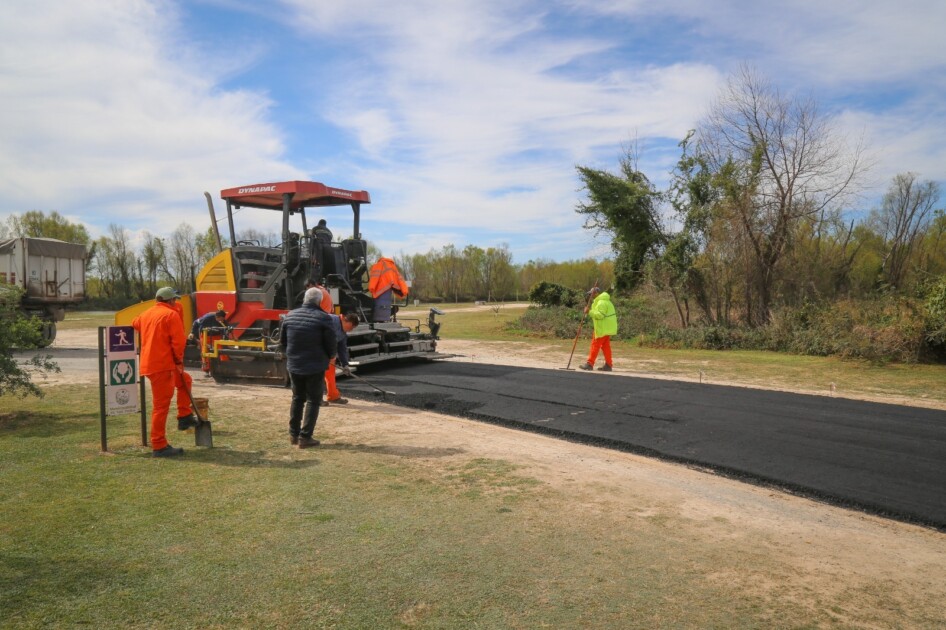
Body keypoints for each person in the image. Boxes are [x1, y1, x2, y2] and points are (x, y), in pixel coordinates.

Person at [132, 287, 189, 457]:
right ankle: (159, 445)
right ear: (171, 301)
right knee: (160, 406)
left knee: (186, 380)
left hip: (150, 365)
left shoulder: (146, 314)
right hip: (164, 366)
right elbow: (179, 343)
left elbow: (134, 323)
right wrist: (178, 361)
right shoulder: (172, 315)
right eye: (175, 300)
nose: (176, 303)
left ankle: (184, 415)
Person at [279, 287, 337, 448]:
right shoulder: (324, 318)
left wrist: (290, 355)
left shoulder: (290, 316)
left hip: (294, 365)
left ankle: (293, 434)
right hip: (314, 366)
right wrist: (331, 355)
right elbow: (331, 344)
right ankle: (305, 437)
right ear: (319, 301)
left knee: (297, 398)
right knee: (313, 400)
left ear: (305, 299)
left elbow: (282, 343)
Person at [323, 312, 359, 405]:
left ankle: (333, 396)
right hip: (318, 353)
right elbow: (320, 337)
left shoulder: (343, 333)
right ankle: (315, 399)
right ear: (346, 320)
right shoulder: (330, 320)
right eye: (351, 326)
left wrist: (345, 364)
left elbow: (342, 348)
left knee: (330, 376)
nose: (351, 330)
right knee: (316, 376)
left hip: (329, 356)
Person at [580, 287, 618, 372]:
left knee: (595, 345)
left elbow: (600, 315)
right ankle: (608, 365)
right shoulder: (606, 301)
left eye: (591, 293)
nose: (590, 295)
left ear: (596, 293)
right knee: (606, 347)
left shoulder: (601, 302)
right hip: (607, 328)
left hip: (602, 328)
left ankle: (590, 364)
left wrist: (589, 312)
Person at [189, 309, 228, 375]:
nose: (221, 321)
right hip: (205, 336)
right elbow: (197, 325)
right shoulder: (206, 318)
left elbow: (227, 329)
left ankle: (224, 366)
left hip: (216, 336)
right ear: (217, 317)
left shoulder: (223, 321)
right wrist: (193, 334)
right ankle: (206, 369)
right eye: (220, 319)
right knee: (205, 351)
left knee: (221, 351)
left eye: (223, 319)